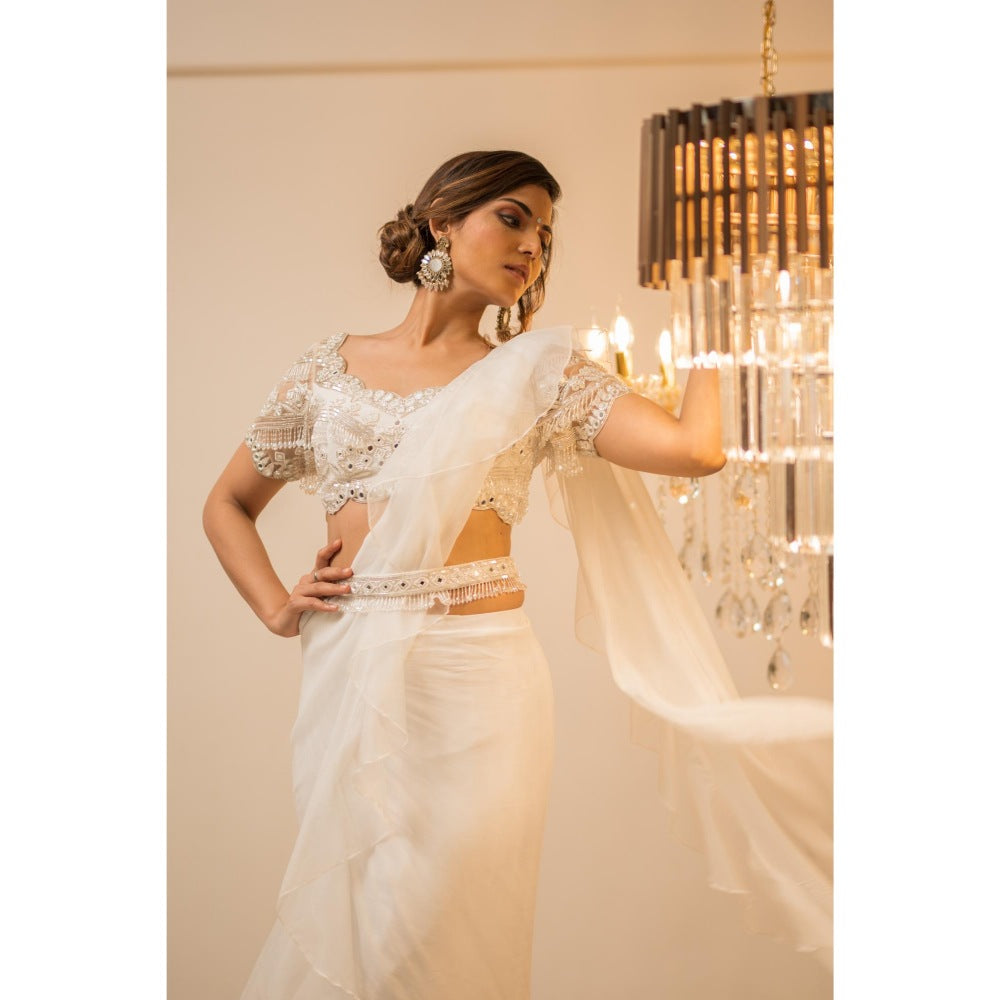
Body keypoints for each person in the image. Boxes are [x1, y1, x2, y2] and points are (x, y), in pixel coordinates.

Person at [203, 150, 833, 999]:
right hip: (349, 671)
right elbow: (227, 504)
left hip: (478, 684)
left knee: (443, 930)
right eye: (512, 217)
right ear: (441, 222)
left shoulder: (538, 374)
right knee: (360, 926)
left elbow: (695, 449)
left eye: (544, 232)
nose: (533, 244)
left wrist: (714, 301)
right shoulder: (329, 369)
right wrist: (277, 606)